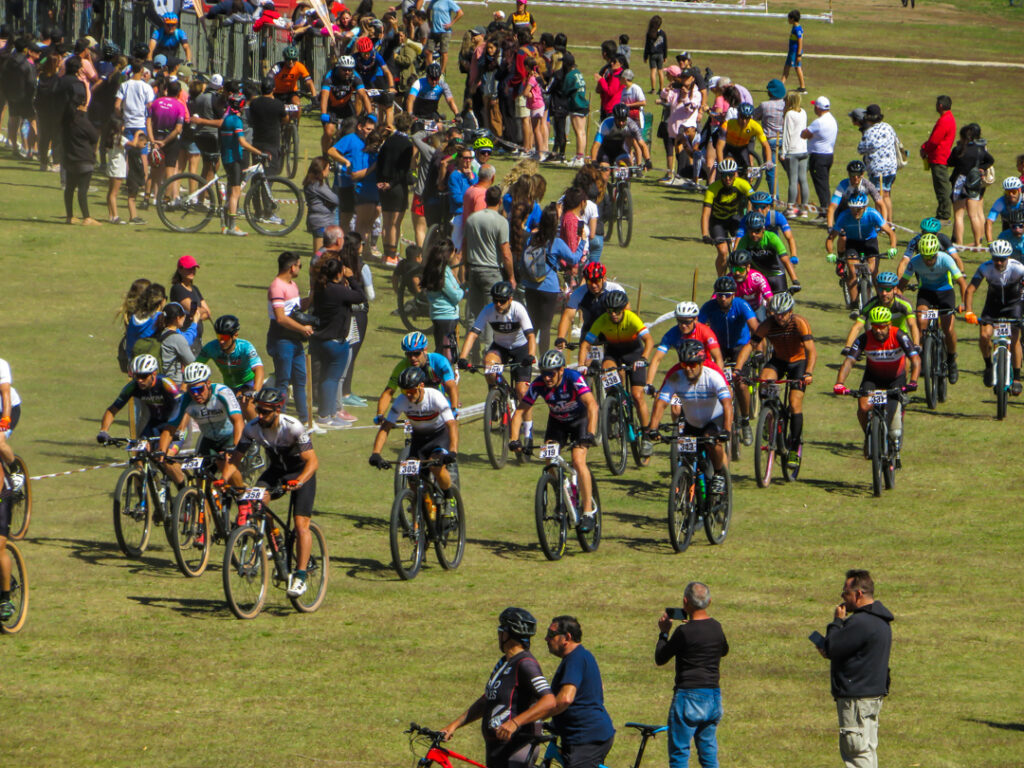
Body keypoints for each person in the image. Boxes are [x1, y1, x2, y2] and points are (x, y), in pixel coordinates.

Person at [224, 387, 318, 598]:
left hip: (300, 473)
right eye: (258, 410)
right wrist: (224, 479)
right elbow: (236, 458)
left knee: (301, 525)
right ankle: (277, 543)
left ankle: (300, 577)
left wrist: (300, 481)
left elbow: (313, 461)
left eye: (265, 412)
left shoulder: (293, 427)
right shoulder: (252, 428)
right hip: (275, 472)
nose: (260, 415)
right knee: (257, 500)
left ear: (277, 410)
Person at [439, 607, 555, 768]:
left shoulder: (525, 664)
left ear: (507, 635)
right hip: (497, 749)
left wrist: (515, 722)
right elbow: (487, 699)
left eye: (500, 631)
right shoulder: (504, 663)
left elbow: (549, 700)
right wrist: (454, 725)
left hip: (516, 747)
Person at [817, 570, 893, 768]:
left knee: (856, 754)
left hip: (856, 701)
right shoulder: (881, 621)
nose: (842, 598)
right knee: (867, 751)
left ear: (858, 594)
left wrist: (837, 622)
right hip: (872, 697)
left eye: (845, 593)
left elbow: (832, 647)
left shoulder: (860, 623)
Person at [510, 349, 598, 520]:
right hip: (557, 423)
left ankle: (588, 512)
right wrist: (514, 440)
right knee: (549, 460)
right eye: (544, 374)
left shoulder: (573, 378)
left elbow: (592, 405)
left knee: (578, 461)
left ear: (561, 370)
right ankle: (561, 494)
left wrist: (591, 433)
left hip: (580, 421)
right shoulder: (538, 385)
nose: (547, 378)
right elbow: (520, 412)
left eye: (550, 374)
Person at [734, 291, 815, 471]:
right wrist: (737, 370)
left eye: (783, 313)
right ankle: (768, 416)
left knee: (794, 404)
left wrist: (808, 373)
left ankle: (794, 448)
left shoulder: (800, 323)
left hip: (798, 363)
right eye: (776, 314)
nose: (779, 318)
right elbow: (751, 345)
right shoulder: (768, 324)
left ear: (790, 311)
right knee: (764, 380)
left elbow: (811, 351)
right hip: (778, 360)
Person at [655, 582, 729, 768]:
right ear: (709, 601)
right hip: (713, 696)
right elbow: (724, 650)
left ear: (685, 602)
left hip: (688, 696)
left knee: (680, 754)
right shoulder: (716, 628)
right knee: (708, 754)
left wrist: (664, 633)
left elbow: (660, 657)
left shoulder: (683, 632)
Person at [833, 306, 920, 461]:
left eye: (882, 327)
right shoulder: (864, 338)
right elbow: (849, 362)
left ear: (889, 325)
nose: (878, 331)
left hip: (895, 380)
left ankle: (893, 440)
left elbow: (915, 359)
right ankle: (869, 436)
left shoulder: (900, 335)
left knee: (891, 419)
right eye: (875, 326)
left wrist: (913, 381)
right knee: (863, 407)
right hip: (872, 379)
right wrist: (840, 383)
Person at [647, 339, 733, 489]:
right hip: (692, 422)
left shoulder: (712, 376)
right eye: (684, 364)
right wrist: (653, 428)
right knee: (686, 455)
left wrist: (727, 430)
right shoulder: (676, 377)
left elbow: (727, 403)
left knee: (711, 440)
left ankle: (719, 474)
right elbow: (661, 403)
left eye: (692, 364)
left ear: (701, 363)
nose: (688, 369)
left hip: (714, 419)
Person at [578, 290, 654, 453]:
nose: (613, 315)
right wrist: (581, 365)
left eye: (617, 311)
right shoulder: (602, 320)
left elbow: (649, 340)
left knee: (637, 395)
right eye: (610, 311)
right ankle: (614, 405)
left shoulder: (632, 318)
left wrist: (644, 358)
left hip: (634, 354)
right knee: (606, 371)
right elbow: (586, 344)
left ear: (623, 309)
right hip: (614, 354)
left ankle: (647, 436)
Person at [370, 365, 459, 499]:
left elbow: (451, 424)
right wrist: (376, 453)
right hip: (419, 440)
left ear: (421, 386)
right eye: (405, 391)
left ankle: (449, 497)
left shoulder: (435, 397)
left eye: (411, 391)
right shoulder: (402, 400)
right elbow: (386, 427)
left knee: (435, 467)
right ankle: (418, 511)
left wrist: (453, 451)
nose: (409, 395)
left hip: (440, 437)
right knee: (410, 473)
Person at [157, 362, 245, 489]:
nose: (196, 394)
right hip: (208, 439)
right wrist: (162, 451)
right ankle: (204, 507)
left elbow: (238, 421)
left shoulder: (222, 392)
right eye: (192, 390)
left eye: (199, 389)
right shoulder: (185, 400)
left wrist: (235, 448)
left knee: (225, 463)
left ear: (208, 383)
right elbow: (170, 429)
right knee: (200, 480)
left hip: (229, 436)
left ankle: (242, 497)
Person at [544, 615, 616, 768]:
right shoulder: (581, 656)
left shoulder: (575, 659)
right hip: (586, 735)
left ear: (567, 637)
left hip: (586, 738)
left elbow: (565, 699)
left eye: (551, 635)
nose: (546, 639)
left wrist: (537, 715)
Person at [898, 232, 967, 384]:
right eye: (925, 257)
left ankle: (951, 360)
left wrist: (964, 304)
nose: (928, 261)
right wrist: (897, 301)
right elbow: (902, 283)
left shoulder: (946, 259)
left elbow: (962, 283)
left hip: (945, 293)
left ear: (937, 252)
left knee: (948, 329)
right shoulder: (915, 261)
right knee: (921, 322)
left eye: (931, 257)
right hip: (926, 293)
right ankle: (923, 357)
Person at [517, 203, 585, 354]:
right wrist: (583, 242)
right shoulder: (556, 242)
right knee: (545, 325)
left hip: (530, 285)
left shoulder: (531, 238)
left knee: (532, 324)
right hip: (549, 287)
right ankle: (543, 361)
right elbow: (574, 259)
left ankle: (529, 356)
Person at [699, 275, 759, 443]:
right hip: (719, 348)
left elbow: (756, 328)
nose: (723, 298)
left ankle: (745, 421)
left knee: (740, 383)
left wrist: (759, 350)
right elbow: (699, 329)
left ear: (733, 295)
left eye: (726, 295)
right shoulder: (709, 307)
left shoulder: (741, 304)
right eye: (719, 295)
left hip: (740, 347)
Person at [310, 257, 366, 429]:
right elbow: (360, 296)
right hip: (335, 341)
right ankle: (325, 416)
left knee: (325, 378)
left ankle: (329, 413)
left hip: (319, 340)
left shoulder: (321, 288)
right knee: (331, 379)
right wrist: (352, 278)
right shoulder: (337, 290)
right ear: (339, 273)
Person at [459, 280, 536, 402]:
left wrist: (531, 355)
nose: (498, 304)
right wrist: (462, 357)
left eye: (502, 301)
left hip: (521, 348)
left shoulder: (518, 309)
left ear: (510, 299)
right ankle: (495, 396)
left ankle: (527, 422)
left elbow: (531, 336)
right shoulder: (488, 310)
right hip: (500, 347)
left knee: (522, 391)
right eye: (495, 300)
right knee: (489, 365)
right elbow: (473, 334)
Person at [964, 239, 1024, 392]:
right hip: (993, 305)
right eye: (995, 258)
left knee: (1015, 337)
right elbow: (970, 290)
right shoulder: (985, 268)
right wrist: (969, 311)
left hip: (1013, 305)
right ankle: (989, 366)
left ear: (1008, 257)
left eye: (1002, 259)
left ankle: (1016, 377)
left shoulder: (1018, 268)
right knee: (984, 335)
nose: (998, 263)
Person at [463, 186, 517, 354]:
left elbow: (465, 244)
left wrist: (465, 266)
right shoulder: (501, 222)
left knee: (473, 311)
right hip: (491, 270)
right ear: (500, 201)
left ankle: (471, 350)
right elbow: (506, 252)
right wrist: (511, 276)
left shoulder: (472, 219)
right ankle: (489, 350)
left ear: (485, 199)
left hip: (474, 268)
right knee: (491, 312)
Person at [266, 251, 314, 427]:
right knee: (283, 380)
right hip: (282, 338)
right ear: (292, 267)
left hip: (294, 338)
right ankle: (282, 419)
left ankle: (304, 420)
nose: (299, 269)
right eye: (299, 266)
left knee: (300, 380)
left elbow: (296, 308)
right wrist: (303, 329)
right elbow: (281, 317)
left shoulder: (292, 285)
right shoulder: (277, 287)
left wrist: (311, 298)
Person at [825, 194, 897, 309]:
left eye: (859, 209)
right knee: (853, 273)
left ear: (865, 207)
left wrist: (893, 247)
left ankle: (879, 302)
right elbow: (831, 238)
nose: (855, 212)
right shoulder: (844, 216)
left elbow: (891, 233)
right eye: (852, 208)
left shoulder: (873, 214)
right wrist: (830, 253)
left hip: (870, 242)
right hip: (853, 243)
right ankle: (853, 305)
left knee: (873, 272)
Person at [376, 331, 459, 424]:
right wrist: (380, 414)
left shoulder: (439, 361)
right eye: (409, 354)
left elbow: (451, 385)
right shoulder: (402, 366)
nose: (412, 358)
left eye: (417, 353)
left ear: (425, 349)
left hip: (439, 400)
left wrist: (454, 408)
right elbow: (388, 392)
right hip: (415, 403)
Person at [97, 354, 182, 443]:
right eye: (137, 376)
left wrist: (178, 427)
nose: (140, 380)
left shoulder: (166, 383)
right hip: (154, 423)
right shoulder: (132, 387)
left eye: (144, 376)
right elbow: (112, 410)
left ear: (154, 373)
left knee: (164, 453)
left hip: (173, 423)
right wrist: (103, 431)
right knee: (141, 451)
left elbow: (181, 405)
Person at [196, 314, 266, 421]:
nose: (221, 341)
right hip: (229, 386)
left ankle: (256, 431)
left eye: (225, 337)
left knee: (246, 404)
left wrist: (254, 391)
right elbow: (195, 366)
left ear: (235, 335)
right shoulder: (211, 348)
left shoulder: (245, 347)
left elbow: (259, 369)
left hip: (248, 383)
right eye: (219, 336)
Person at [219, 90, 266, 237]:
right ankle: (232, 226)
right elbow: (242, 142)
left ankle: (226, 223)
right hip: (233, 159)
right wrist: (258, 152)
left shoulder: (226, 118)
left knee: (232, 191)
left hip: (227, 158)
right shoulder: (236, 121)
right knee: (235, 193)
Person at [646, 301, 725, 387]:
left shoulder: (705, 332)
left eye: (687, 322)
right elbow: (657, 359)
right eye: (680, 321)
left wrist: (719, 382)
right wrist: (649, 383)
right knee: (661, 395)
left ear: (695, 319)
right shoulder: (672, 334)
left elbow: (718, 358)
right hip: (685, 370)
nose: (683, 325)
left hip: (705, 369)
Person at [555, 261, 625, 350]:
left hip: (613, 333)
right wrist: (561, 337)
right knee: (584, 363)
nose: (593, 285)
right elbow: (568, 316)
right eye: (590, 281)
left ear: (604, 278)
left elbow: (626, 314)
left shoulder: (616, 290)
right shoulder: (579, 293)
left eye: (597, 281)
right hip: (589, 334)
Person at [701, 158, 753, 275]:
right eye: (724, 175)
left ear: (735, 173)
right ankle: (721, 279)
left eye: (730, 175)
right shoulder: (713, 188)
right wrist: (705, 234)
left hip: (734, 218)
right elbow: (706, 213)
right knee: (723, 252)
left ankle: (742, 275)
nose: (727, 178)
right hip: (717, 221)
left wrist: (750, 214)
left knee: (741, 248)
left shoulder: (742, 184)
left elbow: (754, 200)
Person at [376, 112, 416, 267]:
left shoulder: (388, 141)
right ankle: (392, 255)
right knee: (395, 223)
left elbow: (380, 163)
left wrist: (380, 181)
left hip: (382, 184)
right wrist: (391, 183)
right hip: (397, 186)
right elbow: (403, 170)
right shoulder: (407, 144)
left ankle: (386, 255)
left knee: (386, 222)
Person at [947, 122, 994, 247]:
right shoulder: (980, 149)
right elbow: (990, 160)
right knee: (974, 215)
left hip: (959, 181)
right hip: (974, 181)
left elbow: (949, 162)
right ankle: (978, 243)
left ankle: (959, 243)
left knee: (958, 215)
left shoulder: (958, 149)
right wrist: (981, 168)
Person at [843, 272, 919, 350]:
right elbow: (857, 327)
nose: (884, 293)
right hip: (878, 338)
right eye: (880, 289)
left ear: (895, 289)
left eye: (888, 289)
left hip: (899, 337)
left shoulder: (904, 304)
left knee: (907, 360)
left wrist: (916, 345)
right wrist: (848, 347)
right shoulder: (871, 305)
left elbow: (912, 325)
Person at [736, 211, 799, 294]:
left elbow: (785, 260)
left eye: (757, 230)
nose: (754, 234)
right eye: (751, 231)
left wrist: (795, 281)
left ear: (763, 229)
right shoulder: (744, 240)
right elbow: (738, 262)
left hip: (775, 273)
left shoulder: (772, 238)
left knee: (781, 304)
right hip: (757, 275)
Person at [62, 90, 100, 225]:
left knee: (70, 188)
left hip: (69, 158)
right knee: (82, 189)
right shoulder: (82, 121)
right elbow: (94, 137)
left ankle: (69, 216)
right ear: (82, 105)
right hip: (84, 158)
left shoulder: (66, 120)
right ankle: (87, 217)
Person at [856, 104, 899, 224]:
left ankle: (882, 223)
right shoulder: (888, 127)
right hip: (891, 167)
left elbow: (861, 149)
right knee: (886, 195)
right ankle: (890, 223)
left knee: (879, 197)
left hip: (878, 169)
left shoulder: (869, 132)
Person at [920, 95, 955, 221]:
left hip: (939, 158)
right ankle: (943, 211)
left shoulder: (944, 120)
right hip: (941, 156)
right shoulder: (948, 118)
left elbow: (935, 140)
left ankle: (944, 213)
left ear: (940, 106)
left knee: (941, 186)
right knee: (942, 185)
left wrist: (925, 149)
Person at [802, 96, 837, 216]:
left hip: (818, 156)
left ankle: (824, 212)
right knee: (824, 184)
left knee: (820, 186)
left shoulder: (818, 122)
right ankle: (826, 210)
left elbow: (804, 134)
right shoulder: (832, 120)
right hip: (829, 155)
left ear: (817, 108)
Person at [170, 255, 210, 355]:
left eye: (193, 268)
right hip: (186, 337)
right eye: (188, 268)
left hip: (197, 340)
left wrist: (199, 313)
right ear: (180, 270)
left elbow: (207, 313)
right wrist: (199, 312)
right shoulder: (178, 289)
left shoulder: (195, 289)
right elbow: (193, 311)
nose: (192, 271)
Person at [826, 160, 882, 230]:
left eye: (858, 175)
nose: (856, 178)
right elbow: (832, 207)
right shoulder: (843, 185)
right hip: (844, 213)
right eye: (853, 174)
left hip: (861, 214)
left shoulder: (868, 185)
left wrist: (883, 223)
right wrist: (830, 226)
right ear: (849, 174)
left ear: (863, 174)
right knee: (843, 237)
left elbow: (881, 204)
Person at [779, 91, 810, 217]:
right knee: (803, 180)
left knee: (793, 180)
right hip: (803, 149)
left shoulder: (789, 114)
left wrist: (784, 151)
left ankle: (791, 208)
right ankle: (804, 209)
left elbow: (786, 134)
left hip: (793, 151)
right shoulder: (803, 112)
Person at [560, 51, 589, 167]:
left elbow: (565, 91)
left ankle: (579, 157)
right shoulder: (578, 73)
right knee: (582, 132)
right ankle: (580, 156)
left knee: (579, 132)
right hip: (583, 103)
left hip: (576, 104)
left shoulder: (570, 76)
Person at [303, 156, 338, 252]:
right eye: (328, 168)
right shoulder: (317, 185)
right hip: (321, 222)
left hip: (320, 220)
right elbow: (335, 199)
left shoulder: (312, 183)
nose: (329, 171)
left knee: (323, 254)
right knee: (319, 255)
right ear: (321, 170)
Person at [985, 177, 1023, 243]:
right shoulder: (1001, 202)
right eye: (1008, 192)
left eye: (1013, 192)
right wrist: (989, 241)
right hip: (1008, 228)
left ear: (1019, 190)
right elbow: (989, 221)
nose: (1011, 195)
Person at [782, 9, 805, 92]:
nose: (788, 20)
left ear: (792, 19)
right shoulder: (794, 27)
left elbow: (800, 42)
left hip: (795, 52)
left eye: (789, 18)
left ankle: (802, 87)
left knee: (796, 67)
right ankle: (782, 84)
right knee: (787, 67)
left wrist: (799, 54)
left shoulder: (797, 29)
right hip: (792, 51)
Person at [643, 15, 667, 95]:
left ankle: (653, 89)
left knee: (653, 71)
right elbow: (665, 45)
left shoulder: (650, 33)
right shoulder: (662, 33)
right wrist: (665, 56)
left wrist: (645, 56)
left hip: (652, 54)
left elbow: (647, 46)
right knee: (660, 71)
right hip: (660, 54)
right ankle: (661, 89)